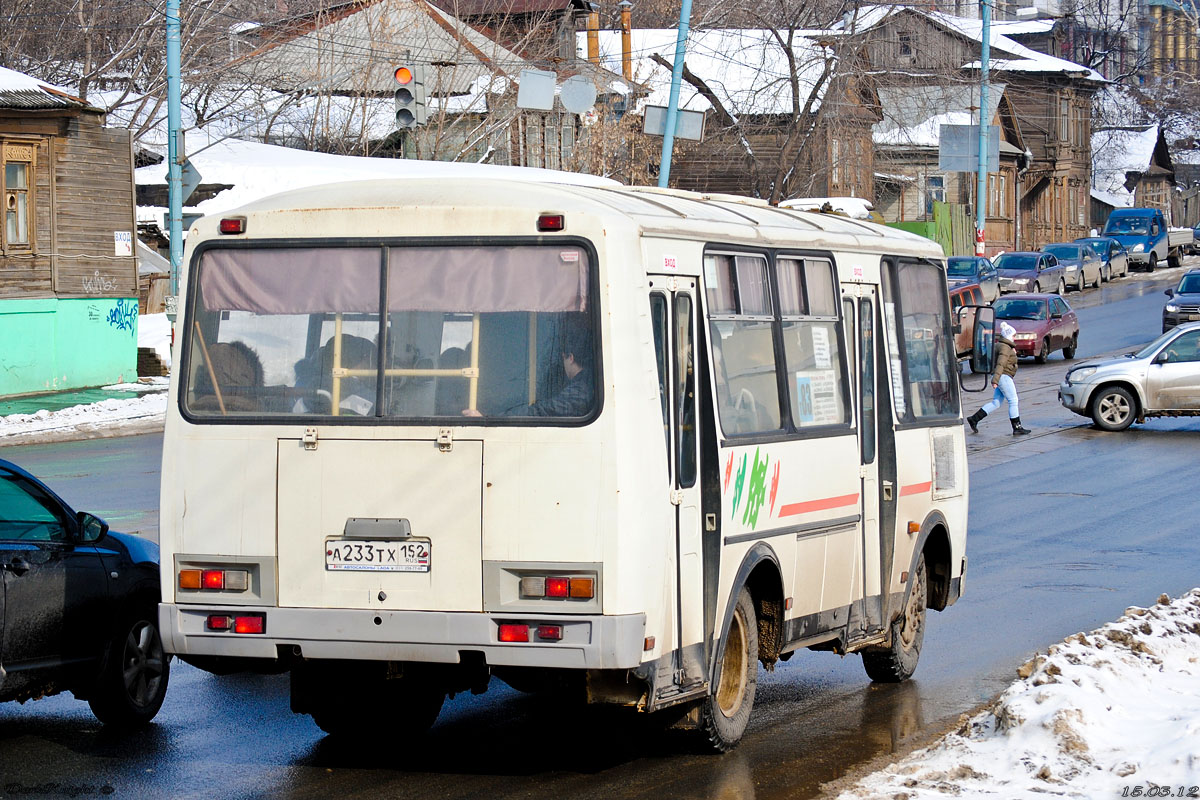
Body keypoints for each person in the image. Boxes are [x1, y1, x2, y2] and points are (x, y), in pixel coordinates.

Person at [462, 323, 594, 418]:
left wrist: (488, 419)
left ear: (570, 358)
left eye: (563, 359)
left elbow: (541, 411)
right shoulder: (585, 383)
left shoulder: (581, 391)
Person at [965, 322, 1030, 436]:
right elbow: (1000, 364)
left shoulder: (1003, 346)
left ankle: (974, 419)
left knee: (996, 402)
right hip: (1003, 376)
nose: (1014, 338)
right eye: (1013, 335)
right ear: (1009, 336)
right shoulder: (1005, 348)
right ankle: (1017, 427)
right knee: (1013, 400)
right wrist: (995, 380)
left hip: (1001, 376)